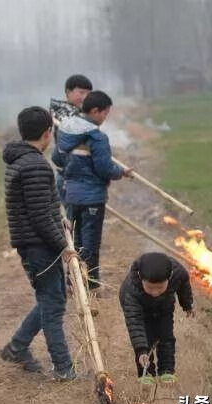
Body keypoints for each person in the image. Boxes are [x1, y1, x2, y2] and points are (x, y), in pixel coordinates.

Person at [0, 106, 78, 380]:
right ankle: (64, 369)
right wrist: (63, 246)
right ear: (48, 133)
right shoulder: (34, 165)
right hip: (39, 245)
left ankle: (16, 347)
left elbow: (45, 205)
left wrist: (61, 220)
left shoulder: (23, 160)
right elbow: (39, 215)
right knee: (53, 306)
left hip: (36, 243)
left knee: (51, 299)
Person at [56, 90, 133, 289]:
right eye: (105, 114)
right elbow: (104, 168)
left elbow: (57, 159)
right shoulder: (98, 137)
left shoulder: (66, 130)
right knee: (90, 242)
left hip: (71, 195)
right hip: (92, 198)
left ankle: (73, 281)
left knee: (74, 240)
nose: (105, 119)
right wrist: (121, 172)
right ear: (96, 111)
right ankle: (89, 284)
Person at [119, 252, 194, 387]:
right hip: (141, 311)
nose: (154, 292)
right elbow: (135, 324)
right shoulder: (130, 291)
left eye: (159, 288)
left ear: (169, 277)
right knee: (146, 340)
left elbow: (184, 286)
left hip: (164, 307)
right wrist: (141, 350)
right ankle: (146, 373)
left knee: (166, 337)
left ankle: (167, 371)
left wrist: (187, 305)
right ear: (141, 279)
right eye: (150, 288)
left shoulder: (177, 273)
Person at [50, 74, 93, 203]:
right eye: (81, 92)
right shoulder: (63, 113)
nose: (85, 97)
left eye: (88, 94)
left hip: (81, 177)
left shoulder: (80, 114)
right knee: (75, 220)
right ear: (68, 92)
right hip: (70, 178)